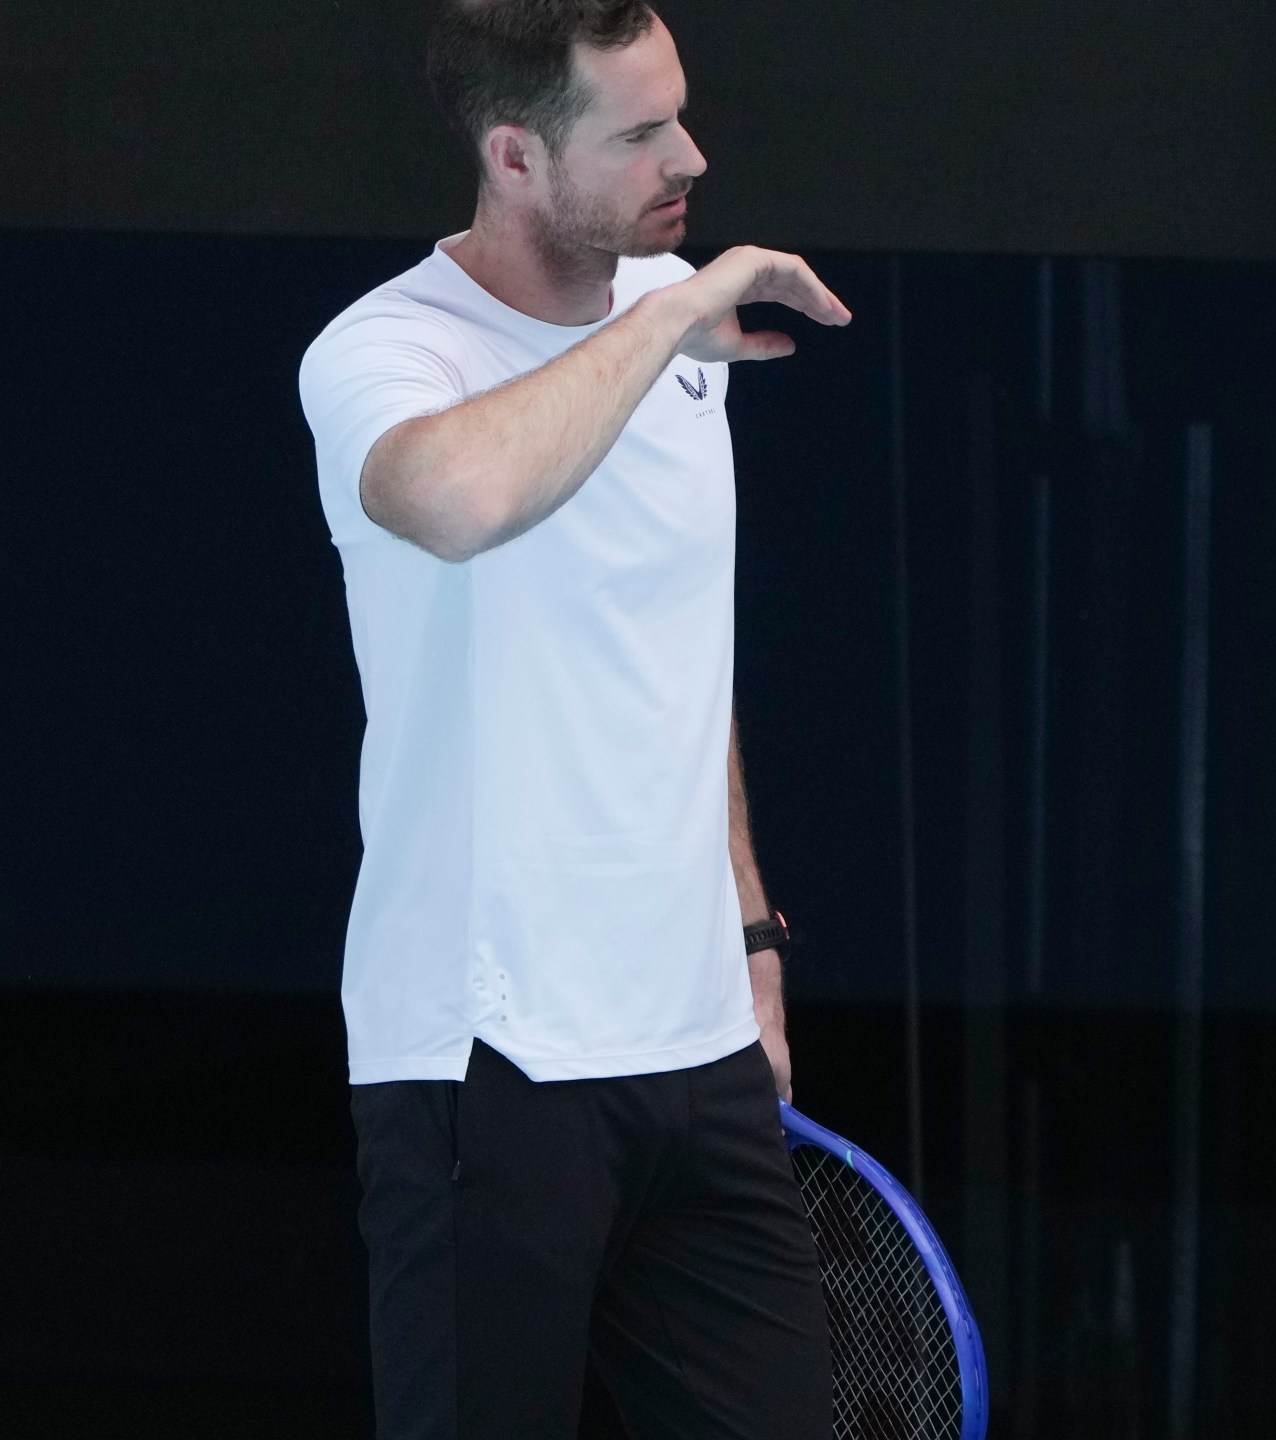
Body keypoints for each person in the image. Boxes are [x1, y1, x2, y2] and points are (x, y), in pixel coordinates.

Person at [297, 2, 850, 1435]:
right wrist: (666, 310)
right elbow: (459, 500)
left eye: (681, 111)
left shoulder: (679, 340)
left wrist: (752, 942)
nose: (692, 156)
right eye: (640, 132)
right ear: (516, 159)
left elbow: (669, 656)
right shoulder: (383, 353)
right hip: (486, 1062)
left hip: (700, 1054)